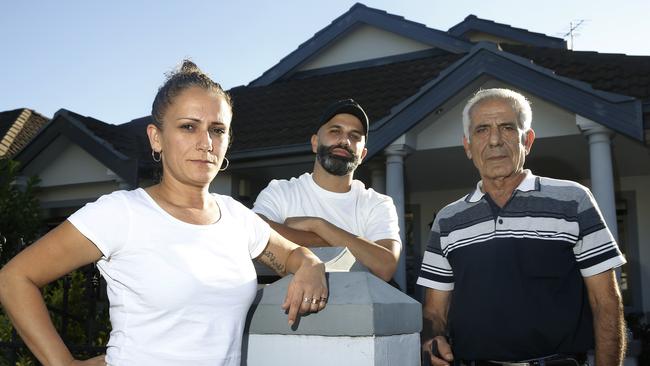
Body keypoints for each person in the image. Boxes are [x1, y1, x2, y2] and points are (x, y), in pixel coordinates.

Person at [0, 60, 327, 366]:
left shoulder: (236, 218)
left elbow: (293, 256)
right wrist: (63, 363)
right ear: (156, 138)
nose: (206, 143)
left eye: (217, 129)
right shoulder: (121, 214)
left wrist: (311, 265)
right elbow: (15, 278)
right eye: (188, 127)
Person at [417, 88, 627, 366]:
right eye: (482, 130)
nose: (494, 140)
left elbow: (606, 304)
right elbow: (434, 313)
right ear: (467, 146)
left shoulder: (573, 200)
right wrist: (433, 337)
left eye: (507, 128)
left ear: (527, 140)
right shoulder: (446, 220)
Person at [252, 99, 401, 282]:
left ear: (362, 155)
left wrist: (318, 225)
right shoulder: (281, 191)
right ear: (315, 143)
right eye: (335, 131)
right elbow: (253, 233)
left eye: (354, 136)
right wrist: (350, 247)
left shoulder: (377, 203)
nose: (344, 141)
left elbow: (385, 266)